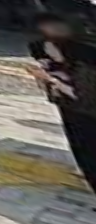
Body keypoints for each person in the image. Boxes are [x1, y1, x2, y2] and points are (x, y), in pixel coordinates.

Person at [25, 13, 96, 193]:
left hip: (86, 111)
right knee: (81, 148)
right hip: (70, 109)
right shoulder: (49, 56)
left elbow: (79, 94)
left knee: (88, 150)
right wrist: (44, 77)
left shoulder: (84, 61)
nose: (46, 54)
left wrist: (49, 78)